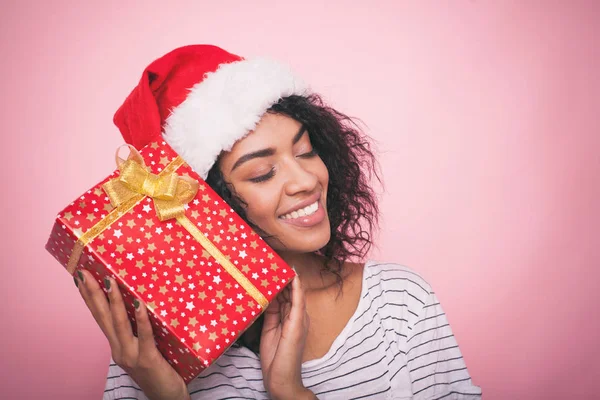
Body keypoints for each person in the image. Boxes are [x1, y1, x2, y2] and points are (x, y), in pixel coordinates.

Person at [73, 45, 482, 400]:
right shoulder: (149, 347)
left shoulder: (399, 303)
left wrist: (291, 393)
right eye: (263, 173)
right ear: (205, 204)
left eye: (305, 151)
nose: (306, 180)